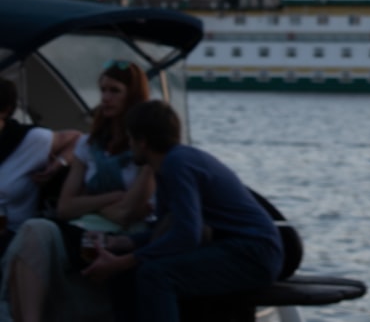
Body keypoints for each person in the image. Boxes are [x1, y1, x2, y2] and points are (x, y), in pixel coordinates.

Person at [81, 100, 283, 322]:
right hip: (236, 248)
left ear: (143, 142)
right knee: (134, 270)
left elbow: (187, 235)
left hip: (253, 253)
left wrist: (125, 261)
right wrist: (119, 243)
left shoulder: (178, 164)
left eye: (131, 138)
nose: (129, 145)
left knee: (156, 275)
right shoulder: (169, 166)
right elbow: (169, 229)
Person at [2, 60, 155, 322]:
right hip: (84, 228)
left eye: (114, 91)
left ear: (133, 95)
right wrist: (111, 198)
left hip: (130, 233)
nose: (105, 98)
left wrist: (89, 202)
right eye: (103, 90)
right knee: (34, 230)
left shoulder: (146, 144)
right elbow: (65, 207)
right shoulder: (91, 143)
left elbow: (129, 212)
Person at [0, 77, 80, 257]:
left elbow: (79, 139)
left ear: (4, 111)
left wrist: (58, 164)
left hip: (14, 238)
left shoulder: (27, 140)